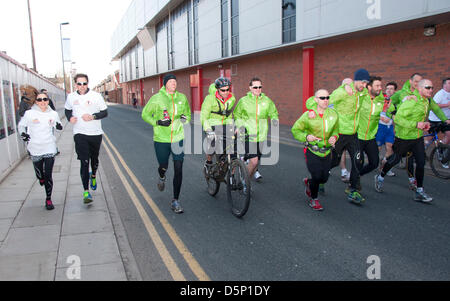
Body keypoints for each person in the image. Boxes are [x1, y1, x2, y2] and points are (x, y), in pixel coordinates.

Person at [375, 79, 450, 203]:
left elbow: (436, 109)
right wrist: (416, 124)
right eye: (428, 87)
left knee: (420, 163)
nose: (431, 90)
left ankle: (419, 191)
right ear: (420, 89)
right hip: (403, 136)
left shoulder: (428, 101)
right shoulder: (411, 101)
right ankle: (380, 176)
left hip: (417, 137)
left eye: (432, 87)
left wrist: (445, 120)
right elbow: (398, 119)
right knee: (395, 159)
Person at [142, 74, 191, 214]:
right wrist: (157, 122)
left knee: (179, 167)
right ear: (165, 84)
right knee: (163, 166)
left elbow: (187, 115)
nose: (174, 84)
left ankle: (175, 200)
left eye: (175, 81)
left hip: (178, 137)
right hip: (161, 139)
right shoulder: (157, 98)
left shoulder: (182, 98)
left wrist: (184, 119)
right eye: (170, 81)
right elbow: (145, 114)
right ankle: (162, 176)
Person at [292, 89, 339, 211]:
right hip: (312, 150)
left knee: (324, 178)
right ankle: (314, 199)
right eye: (322, 98)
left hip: (327, 151)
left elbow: (336, 130)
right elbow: (295, 130)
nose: (325, 100)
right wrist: (306, 137)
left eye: (327, 97)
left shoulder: (333, 114)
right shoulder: (308, 115)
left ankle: (309, 182)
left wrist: (334, 137)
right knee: (317, 176)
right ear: (316, 99)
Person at [65, 73, 108, 205]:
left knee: (94, 159)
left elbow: (105, 112)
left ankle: (93, 175)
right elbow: (67, 110)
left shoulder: (96, 96)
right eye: (79, 84)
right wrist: (69, 118)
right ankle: (86, 192)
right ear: (75, 84)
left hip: (95, 133)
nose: (82, 86)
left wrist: (93, 117)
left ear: (87, 84)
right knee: (84, 161)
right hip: (79, 133)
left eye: (84, 83)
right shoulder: (71, 97)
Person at [328, 68, 370, 204]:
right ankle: (320, 178)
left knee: (358, 160)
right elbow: (324, 101)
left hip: (353, 134)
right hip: (339, 133)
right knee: (333, 161)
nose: (364, 85)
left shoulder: (362, 94)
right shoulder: (342, 92)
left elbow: (375, 97)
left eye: (366, 83)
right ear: (356, 80)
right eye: (363, 82)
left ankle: (353, 190)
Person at [18, 92, 63, 210]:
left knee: (48, 175)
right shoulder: (29, 114)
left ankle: (48, 199)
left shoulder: (53, 114)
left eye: (45, 99)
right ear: (36, 102)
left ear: (48, 101)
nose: (42, 102)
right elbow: (21, 126)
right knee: (40, 174)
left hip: (49, 146)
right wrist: (23, 134)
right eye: (39, 100)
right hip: (35, 147)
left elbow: (59, 127)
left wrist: (59, 126)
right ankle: (40, 177)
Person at [234, 77, 279, 182]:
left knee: (256, 162)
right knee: (254, 162)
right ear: (250, 88)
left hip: (261, 135)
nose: (258, 89)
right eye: (255, 87)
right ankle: (245, 182)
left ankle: (246, 171)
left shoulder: (267, 100)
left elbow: (273, 112)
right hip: (248, 134)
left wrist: (274, 119)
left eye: (260, 87)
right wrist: (240, 126)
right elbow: (237, 115)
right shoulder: (243, 101)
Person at [201, 77, 237, 173]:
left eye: (227, 89)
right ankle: (208, 162)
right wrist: (208, 130)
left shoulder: (232, 98)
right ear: (217, 89)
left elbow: (229, 115)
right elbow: (203, 116)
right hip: (211, 124)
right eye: (223, 90)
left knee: (232, 147)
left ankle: (232, 176)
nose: (226, 92)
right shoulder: (209, 99)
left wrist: (231, 127)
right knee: (213, 144)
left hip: (225, 124)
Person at [357, 76, 387, 178]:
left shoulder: (381, 98)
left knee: (374, 163)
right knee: (358, 163)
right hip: (358, 136)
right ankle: (353, 187)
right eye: (377, 85)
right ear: (369, 87)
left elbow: (389, 106)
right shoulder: (360, 97)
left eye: (380, 85)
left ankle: (356, 176)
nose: (380, 88)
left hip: (371, 137)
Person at [376, 82, 397, 176]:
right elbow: (374, 112)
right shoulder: (381, 99)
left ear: (395, 91)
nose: (389, 90)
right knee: (378, 148)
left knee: (390, 148)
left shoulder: (396, 103)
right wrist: (381, 118)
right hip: (380, 127)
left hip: (390, 128)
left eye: (391, 89)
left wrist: (395, 126)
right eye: (387, 88)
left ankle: (385, 165)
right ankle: (374, 163)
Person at [428, 78, 450, 167]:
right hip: (435, 119)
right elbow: (434, 105)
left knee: (449, 134)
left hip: (445, 119)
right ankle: (420, 148)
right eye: (449, 83)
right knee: (431, 137)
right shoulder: (440, 94)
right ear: (444, 85)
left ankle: (441, 149)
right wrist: (447, 105)